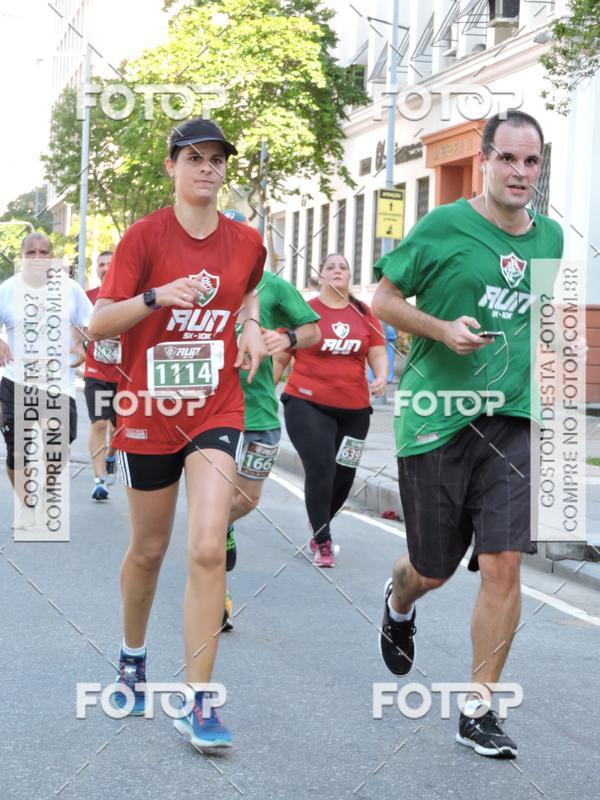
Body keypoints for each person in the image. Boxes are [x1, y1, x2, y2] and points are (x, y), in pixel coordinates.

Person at [371, 110, 563, 758]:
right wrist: (441, 328)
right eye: (507, 159)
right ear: (484, 161)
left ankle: (478, 708)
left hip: (511, 420)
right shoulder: (442, 227)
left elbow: (537, 325)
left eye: (531, 161)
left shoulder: (551, 241)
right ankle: (400, 601)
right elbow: (385, 301)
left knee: (506, 563)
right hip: (435, 421)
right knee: (434, 568)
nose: (519, 172)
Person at [88, 117, 267, 750]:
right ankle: (132, 653)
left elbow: (248, 290)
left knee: (207, 547)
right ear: (171, 167)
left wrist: (248, 324)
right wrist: (159, 296)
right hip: (145, 413)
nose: (207, 169)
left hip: (216, 410)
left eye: (217, 160)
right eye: (193, 158)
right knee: (149, 549)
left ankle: (199, 700)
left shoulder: (246, 240)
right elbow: (100, 323)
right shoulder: (142, 239)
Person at [219, 210, 321, 630]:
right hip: (212, 410)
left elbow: (314, 330)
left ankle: (220, 526)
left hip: (259, 410)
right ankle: (215, 593)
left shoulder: (274, 287)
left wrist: (289, 337)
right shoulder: (204, 281)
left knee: (246, 500)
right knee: (213, 496)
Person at [274, 253, 388, 567]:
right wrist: (263, 396)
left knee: (344, 474)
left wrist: (380, 376)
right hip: (307, 402)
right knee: (321, 464)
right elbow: (282, 356)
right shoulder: (305, 310)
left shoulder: (363, 313)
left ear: (349, 276)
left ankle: (320, 521)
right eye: (330, 267)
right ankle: (322, 540)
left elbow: (376, 351)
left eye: (343, 267)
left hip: (355, 408)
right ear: (320, 275)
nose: (337, 270)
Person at [0, 233, 91, 527]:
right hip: (17, 381)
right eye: (32, 253)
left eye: (44, 252)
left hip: (58, 383)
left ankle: (44, 487)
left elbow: (89, 322)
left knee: (59, 448)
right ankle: (26, 505)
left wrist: (80, 341)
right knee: (17, 454)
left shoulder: (70, 288)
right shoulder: (8, 289)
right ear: (22, 256)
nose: (38, 258)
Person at [84, 250, 120, 500]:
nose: (105, 268)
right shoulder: (88, 297)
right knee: (99, 423)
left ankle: (110, 455)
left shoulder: (131, 296)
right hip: (97, 371)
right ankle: (99, 482)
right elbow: (79, 327)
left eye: (110, 263)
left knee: (119, 430)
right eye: (101, 264)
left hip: (125, 374)